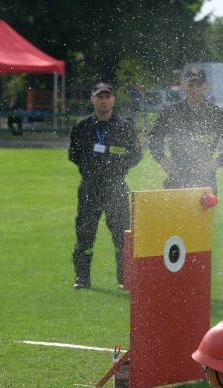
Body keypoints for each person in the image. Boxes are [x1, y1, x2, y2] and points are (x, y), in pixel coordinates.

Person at [68, 82, 142, 290]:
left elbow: (136, 155)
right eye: (99, 96)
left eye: (107, 96)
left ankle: (123, 279)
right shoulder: (81, 127)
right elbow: (74, 154)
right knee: (85, 234)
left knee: (122, 235)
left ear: (113, 100)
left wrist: (118, 170)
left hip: (115, 188)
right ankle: (82, 278)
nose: (103, 100)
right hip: (89, 188)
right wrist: (90, 169)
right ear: (92, 99)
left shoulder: (125, 127)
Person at [148, 68, 223, 194]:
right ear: (184, 86)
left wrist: (219, 161)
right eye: (190, 85)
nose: (194, 89)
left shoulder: (216, 114)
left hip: (205, 182)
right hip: (176, 178)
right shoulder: (172, 112)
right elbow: (154, 137)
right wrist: (162, 158)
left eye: (198, 85)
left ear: (205, 86)